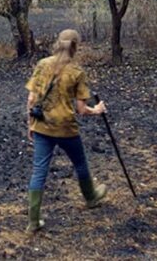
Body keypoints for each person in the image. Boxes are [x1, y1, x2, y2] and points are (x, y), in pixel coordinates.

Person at [24, 29, 108, 233]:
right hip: (66, 129)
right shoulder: (76, 72)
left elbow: (31, 99)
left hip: (42, 126)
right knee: (80, 163)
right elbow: (81, 109)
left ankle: (33, 221)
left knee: (39, 170)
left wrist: (30, 125)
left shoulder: (43, 64)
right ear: (75, 46)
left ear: (57, 43)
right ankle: (91, 197)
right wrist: (96, 110)